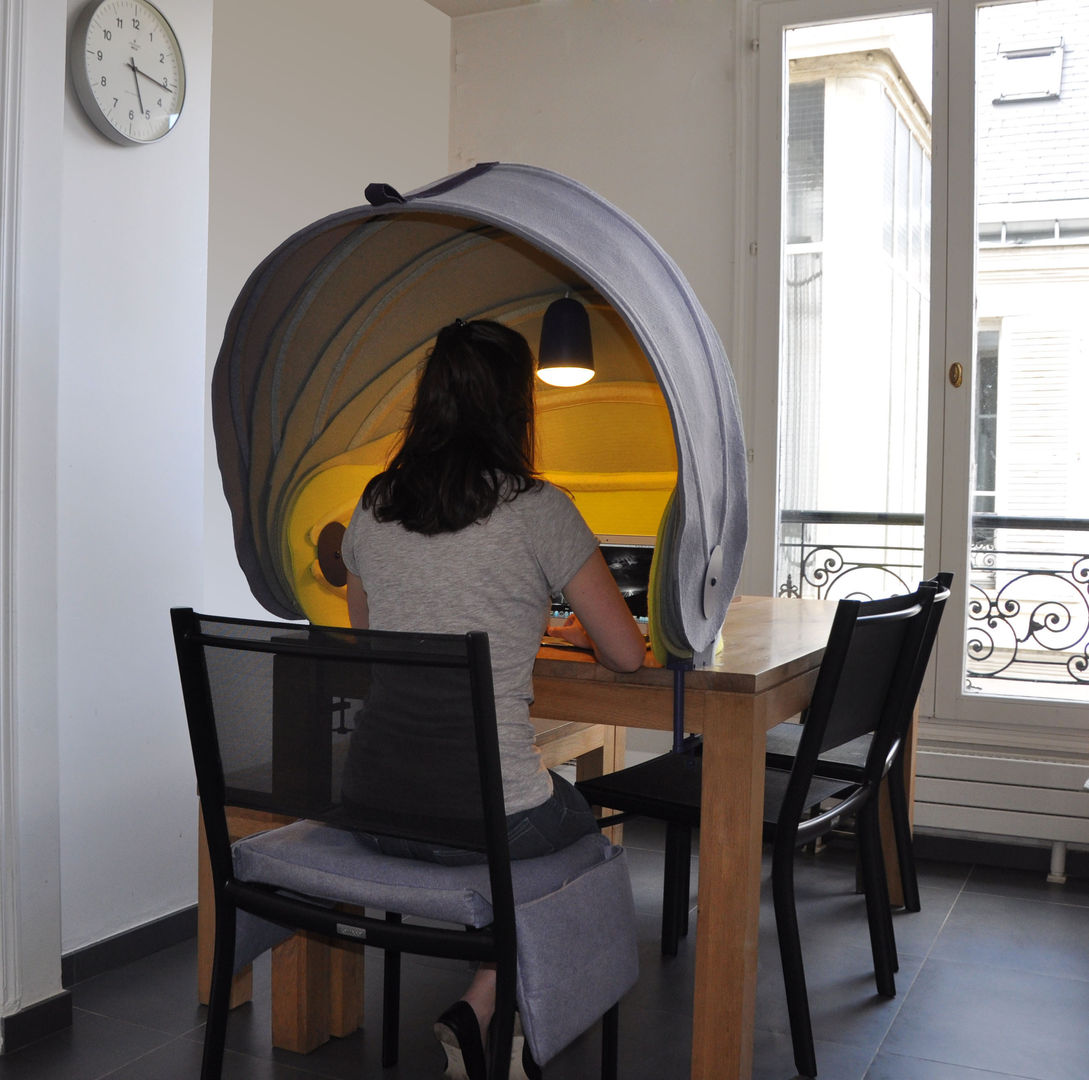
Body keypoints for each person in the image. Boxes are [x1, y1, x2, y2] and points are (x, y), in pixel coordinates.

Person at [340, 317, 646, 1080]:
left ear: (429, 400)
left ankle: (493, 1007)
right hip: (487, 818)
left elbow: (371, 641)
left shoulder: (371, 507)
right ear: (516, 407)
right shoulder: (536, 506)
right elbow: (627, 654)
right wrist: (550, 615)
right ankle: (489, 1005)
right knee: (592, 842)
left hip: (374, 806)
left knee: (534, 809)